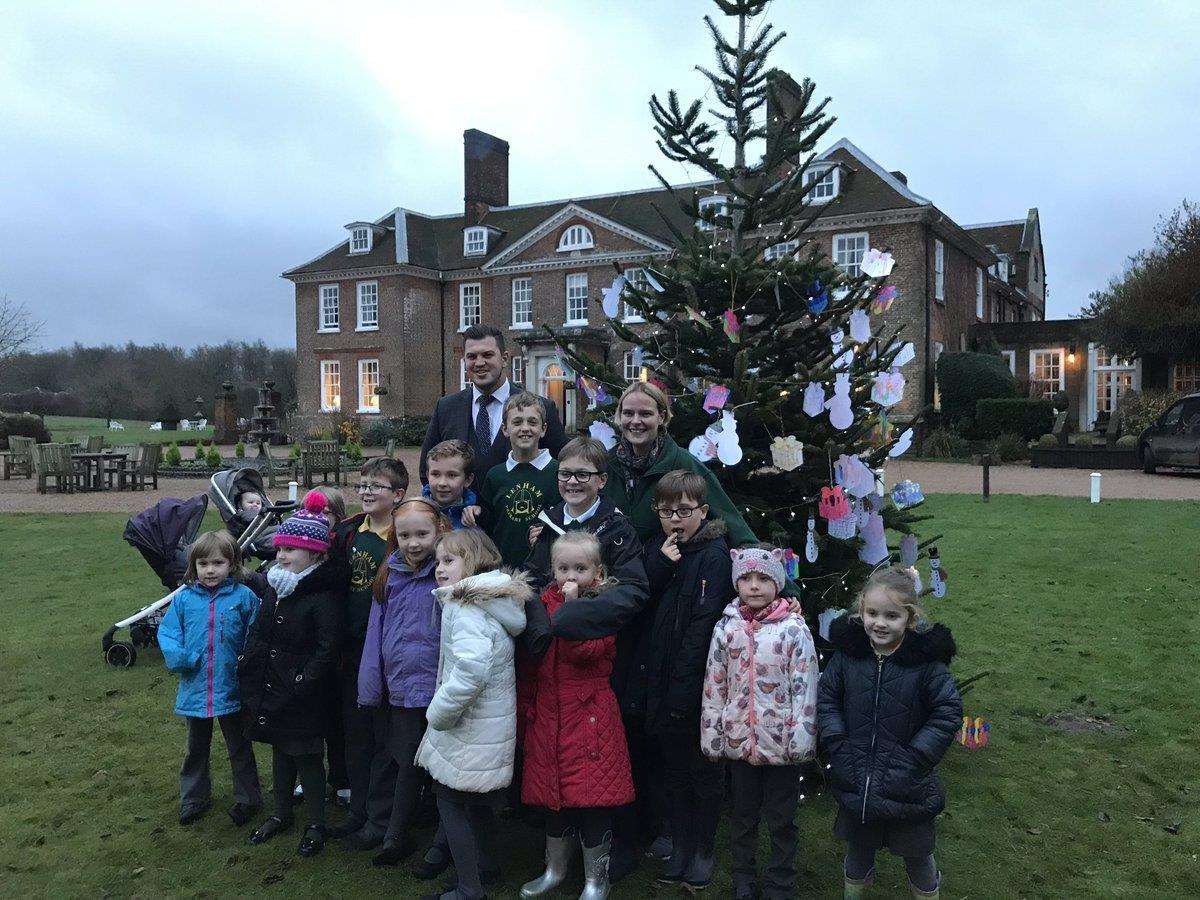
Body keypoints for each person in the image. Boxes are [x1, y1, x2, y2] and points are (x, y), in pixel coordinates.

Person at [521, 436, 651, 880]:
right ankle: (555, 866)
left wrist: (575, 615)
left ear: (601, 480)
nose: (572, 482)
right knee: (553, 771)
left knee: (593, 774)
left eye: (583, 474)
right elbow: (535, 579)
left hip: (595, 666)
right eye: (564, 474)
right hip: (548, 667)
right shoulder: (549, 521)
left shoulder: (617, 528)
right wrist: (540, 621)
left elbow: (632, 591)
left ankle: (602, 867)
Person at [818, 567, 962, 899]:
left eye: (891, 615)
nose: (880, 623)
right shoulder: (848, 657)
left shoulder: (926, 664)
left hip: (908, 783)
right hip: (857, 778)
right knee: (857, 854)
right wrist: (838, 745)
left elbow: (947, 711)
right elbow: (827, 698)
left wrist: (916, 757)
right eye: (872, 613)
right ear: (861, 612)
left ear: (909, 619)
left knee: (918, 857)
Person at [619, 470, 733, 890]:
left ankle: (702, 849)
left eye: (684, 511)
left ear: (702, 512)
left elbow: (701, 627)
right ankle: (680, 846)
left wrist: (685, 691)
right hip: (657, 681)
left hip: (696, 685)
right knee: (674, 771)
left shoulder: (713, 557)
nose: (675, 520)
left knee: (701, 773)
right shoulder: (662, 551)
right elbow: (641, 604)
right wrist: (660, 565)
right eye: (666, 512)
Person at [415, 530, 529, 900]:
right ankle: (485, 865)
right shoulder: (490, 602)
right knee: (476, 801)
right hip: (487, 725)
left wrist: (439, 713)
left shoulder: (466, 608)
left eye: (449, 560)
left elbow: (470, 671)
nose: (439, 569)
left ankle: (469, 888)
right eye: (438, 562)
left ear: (475, 560)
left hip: (469, 726)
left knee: (451, 803)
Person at [519, 531, 633, 900]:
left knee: (592, 802)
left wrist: (572, 610)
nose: (570, 576)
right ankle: (554, 870)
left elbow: (587, 654)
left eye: (580, 568)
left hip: (590, 717)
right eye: (563, 567)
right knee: (555, 798)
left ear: (597, 573)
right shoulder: (540, 602)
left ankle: (597, 880)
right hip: (550, 714)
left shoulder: (602, 605)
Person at [701, 546, 819, 900]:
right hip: (739, 741)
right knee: (743, 816)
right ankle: (743, 880)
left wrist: (802, 736)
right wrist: (712, 732)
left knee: (782, 819)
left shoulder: (793, 629)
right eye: (747, 578)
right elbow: (714, 682)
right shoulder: (726, 627)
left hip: (781, 744)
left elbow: (805, 685)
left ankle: (781, 881)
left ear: (778, 583)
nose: (754, 586)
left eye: (764, 578)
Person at [239, 491, 343, 857]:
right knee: (280, 752)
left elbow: (327, 648)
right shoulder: (276, 585)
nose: (281, 556)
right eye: (280, 549)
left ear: (315, 553)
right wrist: (249, 662)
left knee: (307, 757)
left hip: (303, 693)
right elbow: (260, 630)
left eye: (290, 550)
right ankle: (281, 813)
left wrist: (303, 680)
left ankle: (316, 821)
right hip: (272, 685)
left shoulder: (321, 594)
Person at [355, 497, 450, 866]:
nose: (414, 543)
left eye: (422, 534)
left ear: (439, 531)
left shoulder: (446, 574)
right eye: (405, 535)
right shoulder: (389, 573)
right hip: (402, 689)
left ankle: (443, 842)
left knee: (442, 766)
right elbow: (375, 635)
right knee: (403, 760)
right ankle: (394, 833)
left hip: (442, 689)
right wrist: (370, 686)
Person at [327, 457, 409, 846]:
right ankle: (358, 810)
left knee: (383, 737)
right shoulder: (347, 532)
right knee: (355, 734)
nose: (366, 491)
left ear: (398, 494)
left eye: (376, 485)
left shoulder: (403, 535)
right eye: (362, 484)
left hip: (387, 650)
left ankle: (384, 815)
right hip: (351, 647)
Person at [157, 531, 262, 827]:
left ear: (232, 564)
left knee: (239, 745)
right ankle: (193, 798)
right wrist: (183, 659)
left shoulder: (244, 598)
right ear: (194, 566)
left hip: (232, 686)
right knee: (196, 747)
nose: (210, 570)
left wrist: (248, 664)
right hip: (196, 686)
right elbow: (168, 633)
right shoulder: (184, 600)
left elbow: (257, 635)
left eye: (218, 563)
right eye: (203, 563)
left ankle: (248, 798)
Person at [602, 381, 756, 547]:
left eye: (645, 414)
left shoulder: (683, 463)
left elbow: (727, 516)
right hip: (614, 568)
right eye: (628, 413)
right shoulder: (605, 464)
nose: (635, 421)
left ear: (661, 416)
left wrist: (751, 553)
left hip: (667, 568)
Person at [420, 324, 568, 486]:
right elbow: (426, 471)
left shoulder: (542, 407)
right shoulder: (446, 408)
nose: (479, 363)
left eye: (487, 355)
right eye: (472, 357)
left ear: (504, 358)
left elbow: (563, 467)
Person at [467, 390, 561, 568]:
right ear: (505, 429)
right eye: (517, 422)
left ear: (543, 429)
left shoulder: (559, 472)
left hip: (547, 570)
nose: (525, 428)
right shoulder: (495, 475)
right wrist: (475, 512)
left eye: (532, 422)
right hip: (503, 569)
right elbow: (488, 522)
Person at [423, 440, 479, 530]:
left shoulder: (474, 520)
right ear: (427, 475)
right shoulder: (415, 513)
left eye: (452, 475)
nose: (442, 483)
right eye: (435, 474)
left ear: (468, 480)